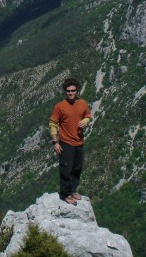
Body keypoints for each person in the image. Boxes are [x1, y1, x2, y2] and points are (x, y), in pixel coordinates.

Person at [49, 78, 91, 206]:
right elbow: (53, 123)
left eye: (73, 91)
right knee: (66, 169)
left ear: (77, 91)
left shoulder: (82, 103)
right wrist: (55, 142)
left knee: (77, 168)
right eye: (68, 91)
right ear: (65, 92)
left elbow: (88, 116)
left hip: (79, 142)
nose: (71, 93)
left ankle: (73, 190)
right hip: (66, 143)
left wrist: (85, 122)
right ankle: (65, 194)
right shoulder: (60, 107)